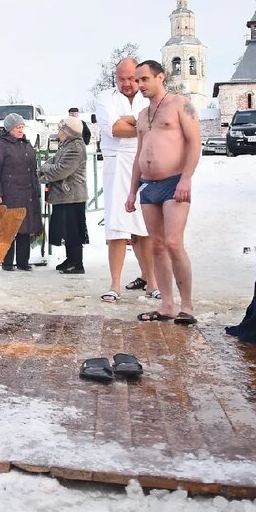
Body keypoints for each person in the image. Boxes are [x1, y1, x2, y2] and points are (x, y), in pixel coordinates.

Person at [124, 59, 201, 324]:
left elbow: (194, 142)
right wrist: (132, 191)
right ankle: (167, 305)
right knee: (156, 245)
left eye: (144, 79)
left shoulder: (180, 104)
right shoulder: (143, 116)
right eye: (136, 80)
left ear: (160, 77)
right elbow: (139, 154)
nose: (139, 85)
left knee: (173, 243)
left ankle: (187, 306)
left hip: (174, 182)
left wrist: (186, 178)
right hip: (149, 185)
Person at [94, 57, 156, 303]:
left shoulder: (148, 95)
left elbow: (159, 124)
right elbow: (115, 129)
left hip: (147, 162)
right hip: (117, 162)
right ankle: (115, 284)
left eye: (132, 78)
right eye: (122, 78)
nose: (127, 83)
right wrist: (143, 124)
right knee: (117, 224)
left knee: (145, 223)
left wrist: (131, 121)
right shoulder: (104, 98)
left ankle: (152, 281)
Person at [0, 114, 41, 271]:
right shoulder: (0, 146)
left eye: (22, 127)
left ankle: (23, 262)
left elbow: (33, 171)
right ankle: (7, 262)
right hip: (9, 193)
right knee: (8, 230)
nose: (21, 130)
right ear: (9, 129)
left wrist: (36, 190)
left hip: (27, 193)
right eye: (18, 127)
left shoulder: (26, 145)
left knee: (25, 228)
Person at [41, 117, 89, 274]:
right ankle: (71, 259)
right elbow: (51, 163)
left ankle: (76, 263)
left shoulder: (75, 147)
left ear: (67, 131)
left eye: (60, 129)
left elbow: (61, 171)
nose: (58, 132)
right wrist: (46, 168)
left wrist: (44, 172)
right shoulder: (66, 145)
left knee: (73, 230)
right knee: (66, 230)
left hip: (72, 195)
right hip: (64, 195)